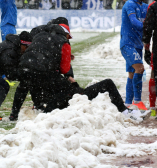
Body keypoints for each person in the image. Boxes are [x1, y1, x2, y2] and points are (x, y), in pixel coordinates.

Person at [10, 23, 151, 123]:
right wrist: (70, 79)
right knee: (105, 83)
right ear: (65, 34)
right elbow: (65, 70)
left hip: (24, 70)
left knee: (31, 86)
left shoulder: (39, 37)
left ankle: (18, 114)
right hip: (55, 84)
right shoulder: (63, 43)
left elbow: (35, 63)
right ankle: (125, 111)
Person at [120, 0, 148, 110]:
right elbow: (134, 22)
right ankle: (137, 102)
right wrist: (148, 27)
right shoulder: (129, 4)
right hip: (128, 44)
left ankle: (127, 104)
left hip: (138, 45)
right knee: (140, 69)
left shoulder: (145, 6)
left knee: (131, 73)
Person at [142, 0, 157, 116]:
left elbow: (148, 28)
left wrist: (146, 47)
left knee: (154, 75)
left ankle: (153, 109)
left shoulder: (153, 6)